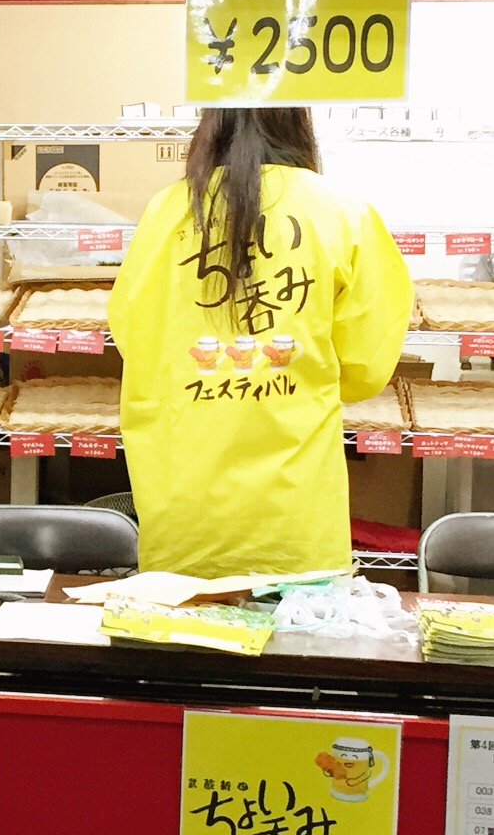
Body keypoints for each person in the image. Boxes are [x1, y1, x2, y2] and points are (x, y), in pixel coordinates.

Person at [106, 105, 412, 577]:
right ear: (297, 122)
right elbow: (365, 369)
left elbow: (134, 338)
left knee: (183, 643)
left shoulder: (167, 212)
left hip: (182, 516)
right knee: (298, 647)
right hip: (296, 524)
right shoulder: (343, 213)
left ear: (212, 123)